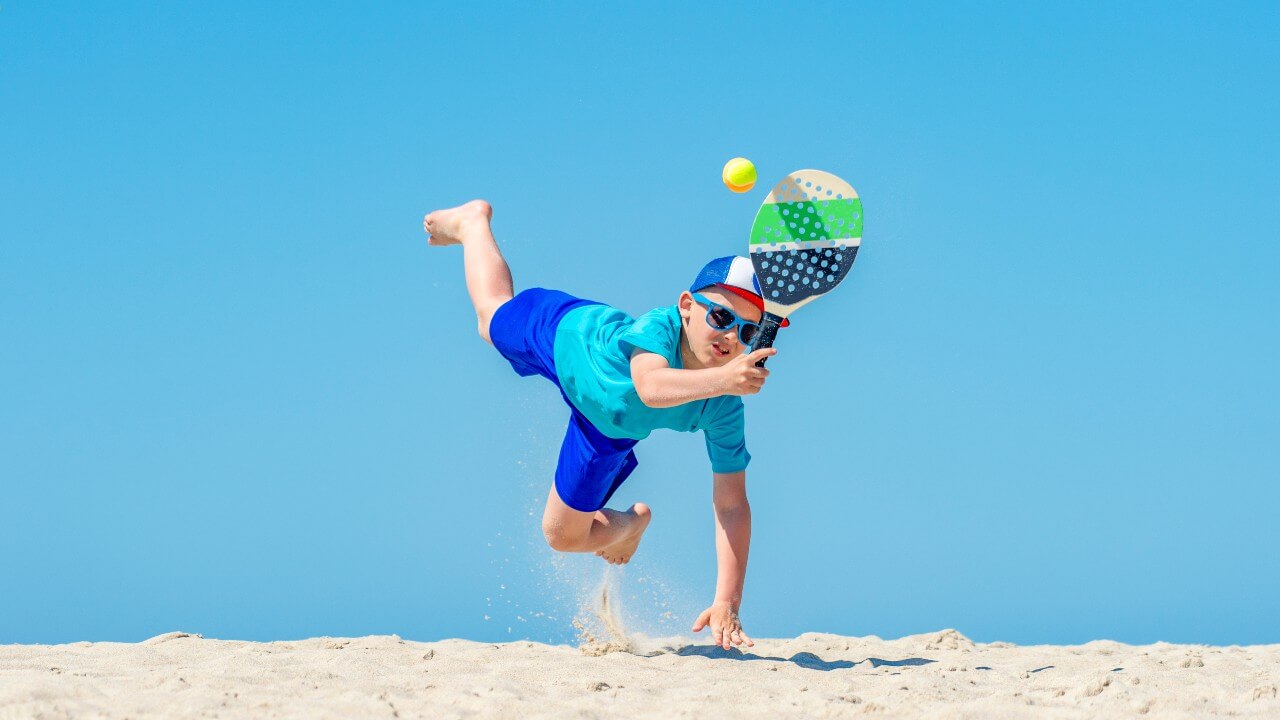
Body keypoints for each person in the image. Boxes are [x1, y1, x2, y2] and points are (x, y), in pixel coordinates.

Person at [424, 200, 780, 650]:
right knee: (490, 316)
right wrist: (724, 379)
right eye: (721, 317)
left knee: (560, 536)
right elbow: (650, 385)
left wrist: (727, 600)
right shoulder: (661, 329)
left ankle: (630, 525)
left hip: (607, 426)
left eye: (749, 332)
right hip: (568, 336)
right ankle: (474, 223)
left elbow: (732, 505)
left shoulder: (725, 404)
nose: (732, 337)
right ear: (687, 306)